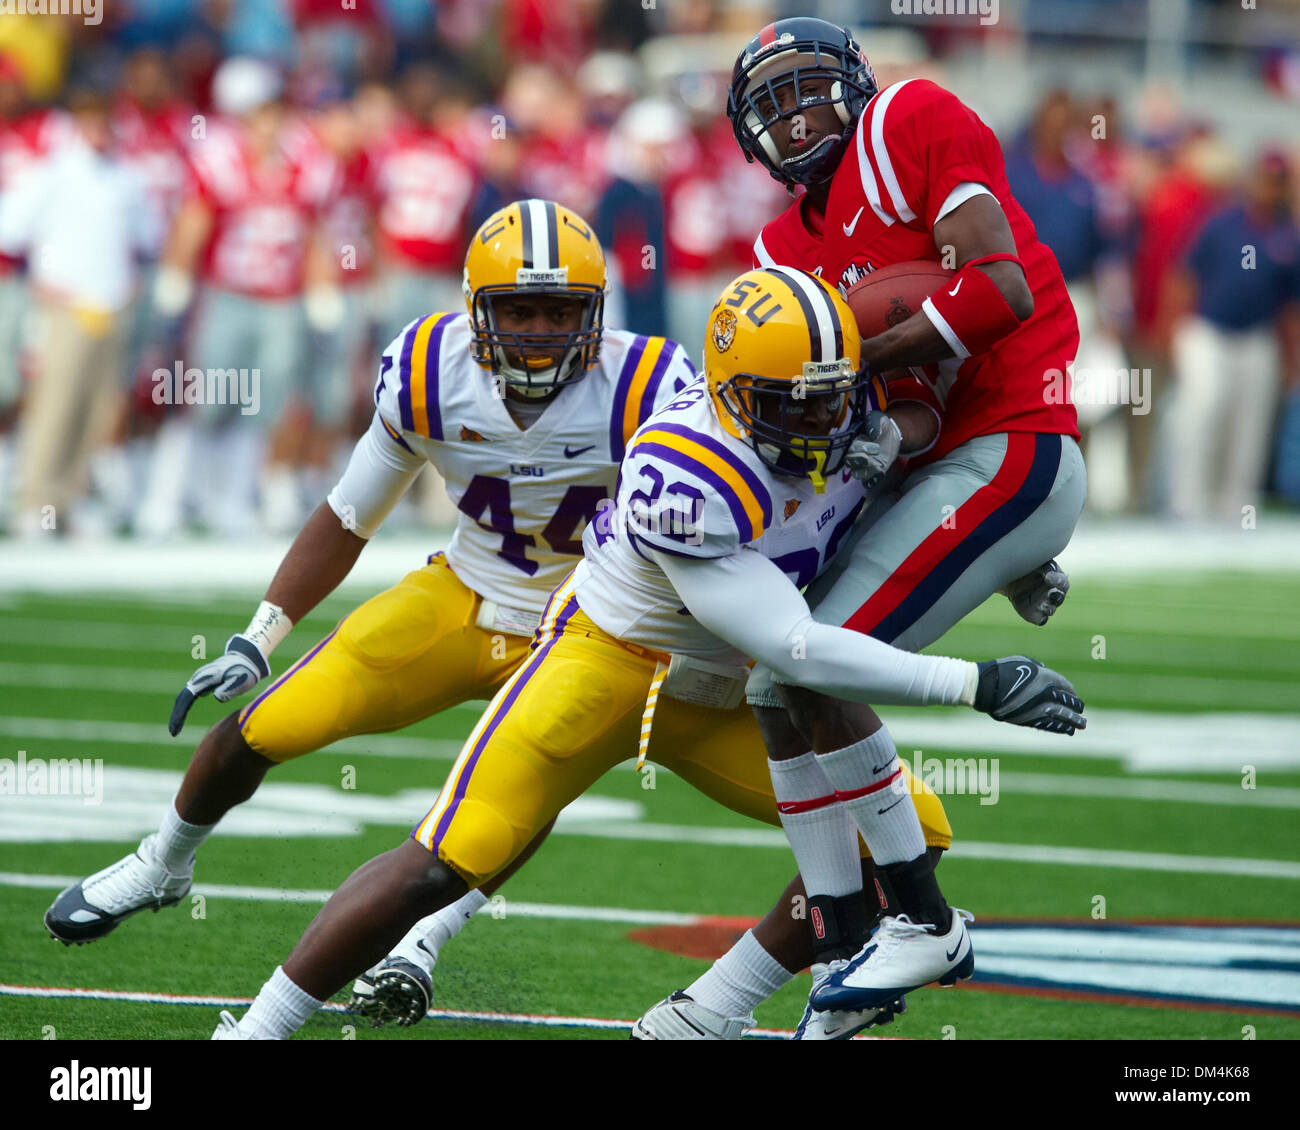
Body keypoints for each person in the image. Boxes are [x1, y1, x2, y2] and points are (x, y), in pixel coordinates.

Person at [45, 202, 945, 1043]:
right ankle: (166, 866)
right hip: (486, 603)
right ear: (478, 310)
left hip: (654, 650)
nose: (545, 332)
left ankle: (695, 1003)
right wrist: (259, 632)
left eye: (564, 313)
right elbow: (351, 512)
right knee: (280, 726)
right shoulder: (431, 372)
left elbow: (819, 482)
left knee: (906, 836)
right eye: (521, 311)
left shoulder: (663, 386)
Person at [209, 266, 1084, 1040]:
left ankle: (712, 1009)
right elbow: (798, 645)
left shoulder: (841, 402)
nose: (823, 418)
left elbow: (861, 528)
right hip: (608, 660)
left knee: (906, 841)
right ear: (736, 394)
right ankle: (258, 1031)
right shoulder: (688, 466)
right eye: (796, 404)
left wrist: (1004, 562)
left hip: (730, 688)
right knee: (444, 857)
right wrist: (976, 682)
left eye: (834, 394)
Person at [727, 16, 1088, 1016]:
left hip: (1012, 442)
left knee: (812, 659)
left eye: (808, 88)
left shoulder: (910, 119)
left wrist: (849, 356)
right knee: (773, 679)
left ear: (851, 82)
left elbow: (999, 286)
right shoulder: (778, 244)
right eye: (773, 104)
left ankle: (925, 922)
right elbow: (907, 403)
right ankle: (846, 937)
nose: (796, 115)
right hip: (938, 459)